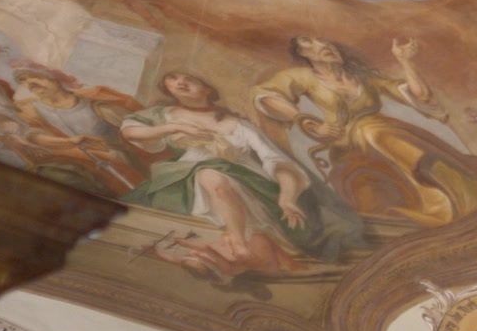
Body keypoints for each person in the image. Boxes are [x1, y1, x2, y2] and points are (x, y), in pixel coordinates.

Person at [252, 36, 477, 226]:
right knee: (371, 130)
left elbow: (420, 95)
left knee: (376, 130)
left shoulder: (362, 78)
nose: (324, 46)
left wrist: (405, 61)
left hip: (386, 134)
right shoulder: (302, 77)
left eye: (326, 42)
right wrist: (305, 121)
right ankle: (469, 194)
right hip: (348, 145)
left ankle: (468, 192)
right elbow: (264, 96)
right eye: (310, 44)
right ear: (303, 55)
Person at [118, 72, 362, 277]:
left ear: (207, 89)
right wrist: (174, 127)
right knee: (208, 176)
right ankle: (236, 249)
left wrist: (287, 197)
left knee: (211, 176)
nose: (180, 82)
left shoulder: (238, 125)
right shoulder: (164, 115)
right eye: (173, 79)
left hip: (245, 181)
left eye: (189, 79)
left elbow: (278, 162)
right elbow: (130, 132)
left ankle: (237, 243)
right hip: (183, 178)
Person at [10, 63, 151, 197]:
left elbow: (140, 128)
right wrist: (70, 142)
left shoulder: (96, 102)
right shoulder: (29, 109)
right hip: (73, 162)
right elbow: (32, 136)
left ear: (57, 78)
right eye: (23, 80)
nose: (30, 83)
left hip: (114, 159)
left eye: (37, 76)